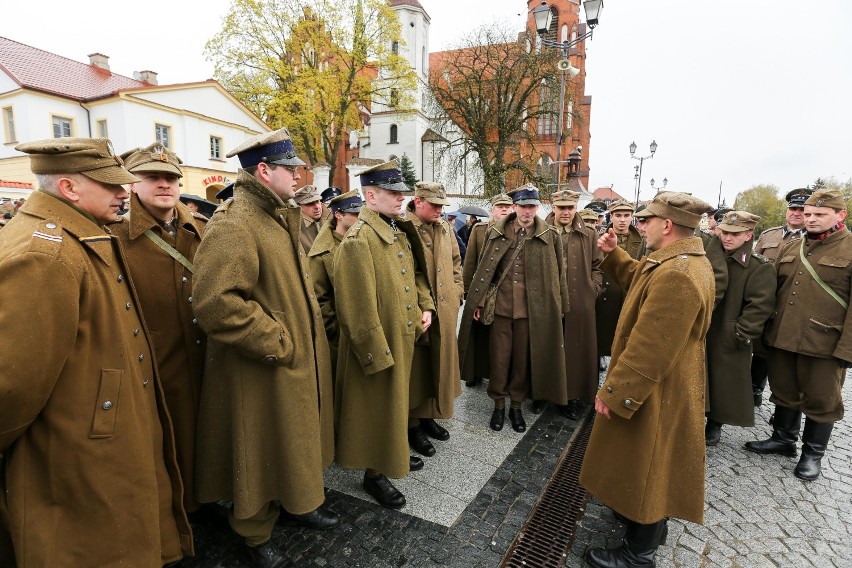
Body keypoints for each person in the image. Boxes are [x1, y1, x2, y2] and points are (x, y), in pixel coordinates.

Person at [0, 137, 192, 566]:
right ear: (69, 188)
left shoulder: (77, 232)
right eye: (110, 185)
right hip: (74, 449)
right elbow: (11, 388)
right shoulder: (45, 254)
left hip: (97, 430)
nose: (124, 192)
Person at [192, 128, 336, 568]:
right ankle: (254, 531)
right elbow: (215, 302)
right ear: (263, 170)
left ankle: (296, 502)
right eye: (289, 169)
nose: (297, 176)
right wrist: (277, 341)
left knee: (289, 442)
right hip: (261, 366)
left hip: (289, 361)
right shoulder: (236, 221)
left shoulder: (274, 214)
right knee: (255, 450)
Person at [580, 191, 715, 567]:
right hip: (665, 385)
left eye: (647, 221)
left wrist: (614, 392)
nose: (641, 226)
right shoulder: (682, 260)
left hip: (657, 388)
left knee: (650, 462)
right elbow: (643, 279)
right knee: (649, 460)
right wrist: (614, 254)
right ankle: (647, 525)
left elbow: (650, 348)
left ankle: (639, 554)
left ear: (667, 225)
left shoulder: (679, 274)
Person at [109, 143, 208, 514]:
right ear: (133, 183)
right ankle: (175, 509)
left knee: (205, 429)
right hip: (152, 361)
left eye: (171, 177)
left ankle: (205, 495)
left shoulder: (201, 229)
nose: (164, 184)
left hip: (204, 352)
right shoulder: (113, 234)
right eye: (152, 177)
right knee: (165, 436)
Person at [333, 159, 437, 509]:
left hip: (403, 338)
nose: (400, 198)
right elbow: (355, 309)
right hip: (380, 347)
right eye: (393, 192)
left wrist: (426, 306)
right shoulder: (359, 241)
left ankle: (390, 460)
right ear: (371, 195)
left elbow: (417, 276)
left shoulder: (395, 231)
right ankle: (375, 474)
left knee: (393, 410)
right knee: (378, 412)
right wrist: (377, 356)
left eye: (402, 192)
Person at [746, 189, 852, 481]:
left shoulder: (849, 248)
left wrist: (847, 351)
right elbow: (772, 291)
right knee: (784, 391)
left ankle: (812, 454)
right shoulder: (793, 246)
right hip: (783, 336)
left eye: (820, 214)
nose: (811, 219)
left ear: (840, 215)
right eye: (808, 214)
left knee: (823, 399)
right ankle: (783, 438)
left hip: (824, 343)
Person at [457, 184, 569, 433]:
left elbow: (559, 274)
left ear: (538, 207)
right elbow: (485, 269)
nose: (527, 211)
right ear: (515, 206)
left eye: (532, 206)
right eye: (523, 206)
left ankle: (516, 405)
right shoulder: (495, 231)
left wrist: (560, 306)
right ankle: (498, 404)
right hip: (501, 309)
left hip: (532, 312)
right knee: (499, 359)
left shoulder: (550, 234)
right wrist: (479, 300)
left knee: (522, 360)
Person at [705, 211, 776, 445]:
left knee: (724, 380)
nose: (727, 237)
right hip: (704, 328)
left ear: (748, 235)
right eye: (724, 232)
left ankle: (715, 423)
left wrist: (741, 332)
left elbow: (760, 306)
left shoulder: (758, 266)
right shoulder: (707, 256)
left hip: (729, 333)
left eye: (735, 234)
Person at [405, 182, 464, 458]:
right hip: (420, 313)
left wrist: (457, 292)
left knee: (438, 366)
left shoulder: (444, 227)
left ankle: (429, 416)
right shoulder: (404, 228)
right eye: (435, 205)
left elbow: (455, 263)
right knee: (418, 370)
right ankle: (413, 424)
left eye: (442, 206)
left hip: (445, 309)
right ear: (418, 201)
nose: (440, 210)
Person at [750, 188, 812, 405]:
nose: (796, 213)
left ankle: (783, 405)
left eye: (802, 209)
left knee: (785, 356)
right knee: (759, 349)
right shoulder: (769, 235)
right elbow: (753, 265)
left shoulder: (813, 240)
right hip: (765, 302)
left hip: (793, 306)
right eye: (793, 208)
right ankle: (754, 390)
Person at [545, 190, 604, 419]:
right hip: (548, 301)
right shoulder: (541, 230)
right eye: (562, 207)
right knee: (546, 348)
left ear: (576, 207)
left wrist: (593, 290)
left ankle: (569, 396)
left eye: (570, 207)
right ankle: (543, 392)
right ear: (553, 207)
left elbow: (597, 266)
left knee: (575, 351)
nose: (566, 212)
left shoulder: (588, 233)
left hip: (579, 302)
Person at [308, 189, 364, 382]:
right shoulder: (322, 251)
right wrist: (336, 330)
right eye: (355, 214)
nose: (360, 217)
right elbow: (318, 297)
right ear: (339, 215)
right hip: (339, 337)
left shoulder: (363, 241)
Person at [461, 193, 513, 388]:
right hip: (482, 290)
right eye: (500, 206)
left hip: (506, 292)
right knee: (480, 335)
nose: (505, 209)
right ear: (492, 210)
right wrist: (468, 294)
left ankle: (501, 374)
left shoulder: (517, 231)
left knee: (503, 337)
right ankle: (475, 372)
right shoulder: (480, 230)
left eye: (508, 207)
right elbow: (470, 262)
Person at [595, 199, 646, 364]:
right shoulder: (599, 238)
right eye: (618, 215)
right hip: (605, 297)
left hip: (628, 296)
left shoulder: (642, 241)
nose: (622, 219)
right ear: (612, 216)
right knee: (601, 341)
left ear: (632, 217)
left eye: (626, 215)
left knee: (626, 345)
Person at [294, 184, 324, 253]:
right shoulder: (296, 227)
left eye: (318, 201)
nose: (317, 207)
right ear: (299, 207)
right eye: (310, 204)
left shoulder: (332, 221)